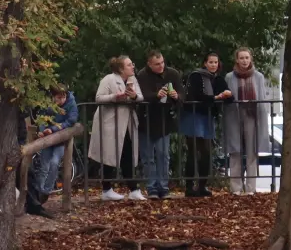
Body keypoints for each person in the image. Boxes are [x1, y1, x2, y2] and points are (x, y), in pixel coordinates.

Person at [89, 55, 144, 201]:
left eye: (132, 64)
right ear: (121, 68)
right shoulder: (108, 79)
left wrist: (133, 97)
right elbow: (99, 98)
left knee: (128, 154)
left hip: (127, 123)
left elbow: (140, 97)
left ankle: (134, 189)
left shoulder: (133, 80)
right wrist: (115, 97)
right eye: (129, 65)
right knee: (109, 155)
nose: (132, 66)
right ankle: (107, 189)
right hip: (110, 123)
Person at [224, 49, 273, 195]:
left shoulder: (258, 76)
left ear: (251, 59)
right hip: (234, 115)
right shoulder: (229, 77)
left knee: (252, 151)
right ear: (237, 60)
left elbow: (262, 97)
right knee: (235, 151)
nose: (244, 60)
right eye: (241, 58)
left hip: (252, 116)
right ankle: (236, 188)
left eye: (247, 57)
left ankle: (251, 188)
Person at [180, 53, 229, 198]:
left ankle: (202, 185)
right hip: (194, 114)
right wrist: (215, 98)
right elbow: (194, 96)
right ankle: (189, 186)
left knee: (207, 151)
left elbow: (226, 95)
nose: (213, 65)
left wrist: (227, 95)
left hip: (208, 116)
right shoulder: (196, 76)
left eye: (216, 62)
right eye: (211, 62)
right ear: (205, 63)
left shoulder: (218, 78)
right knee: (193, 151)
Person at [135, 51, 182, 199]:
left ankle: (163, 186)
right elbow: (140, 96)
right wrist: (156, 96)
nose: (161, 66)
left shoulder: (172, 74)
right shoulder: (142, 75)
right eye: (157, 64)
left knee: (163, 155)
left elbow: (182, 93)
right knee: (148, 157)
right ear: (149, 64)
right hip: (146, 120)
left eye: (162, 62)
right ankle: (151, 187)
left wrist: (176, 96)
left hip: (164, 121)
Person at [26, 84, 78, 216]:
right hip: (48, 139)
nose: (61, 100)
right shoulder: (48, 104)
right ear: (53, 97)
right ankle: (38, 195)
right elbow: (42, 118)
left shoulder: (71, 103)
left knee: (55, 163)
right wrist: (43, 131)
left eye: (63, 97)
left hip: (61, 140)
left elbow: (71, 120)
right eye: (58, 98)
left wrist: (54, 129)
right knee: (43, 166)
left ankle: (46, 191)